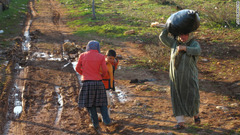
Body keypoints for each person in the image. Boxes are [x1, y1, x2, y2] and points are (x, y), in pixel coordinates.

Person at [159, 29, 201, 129]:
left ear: (189, 34)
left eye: (185, 34)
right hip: (175, 78)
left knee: (192, 96)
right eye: (181, 34)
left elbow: (198, 51)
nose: (183, 37)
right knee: (176, 97)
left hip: (189, 77)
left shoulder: (193, 43)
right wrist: (167, 28)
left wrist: (185, 48)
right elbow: (162, 37)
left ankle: (196, 115)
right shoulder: (174, 43)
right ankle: (180, 122)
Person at [75, 40, 112, 131]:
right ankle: (107, 121)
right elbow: (104, 70)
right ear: (97, 47)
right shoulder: (101, 56)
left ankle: (95, 124)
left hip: (87, 83)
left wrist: (83, 74)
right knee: (102, 102)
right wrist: (101, 75)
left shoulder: (82, 55)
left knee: (90, 104)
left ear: (88, 47)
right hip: (99, 82)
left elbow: (77, 68)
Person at [102, 50, 119, 116]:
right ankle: (106, 116)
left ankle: (107, 114)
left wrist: (115, 61)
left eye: (113, 59)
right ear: (106, 56)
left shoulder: (113, 63)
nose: (111, 60)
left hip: (109, 83)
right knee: (105, 100)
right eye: (110, 58)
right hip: (102, 84)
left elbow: (115, 64)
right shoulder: (102, 62)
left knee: (107, 100)